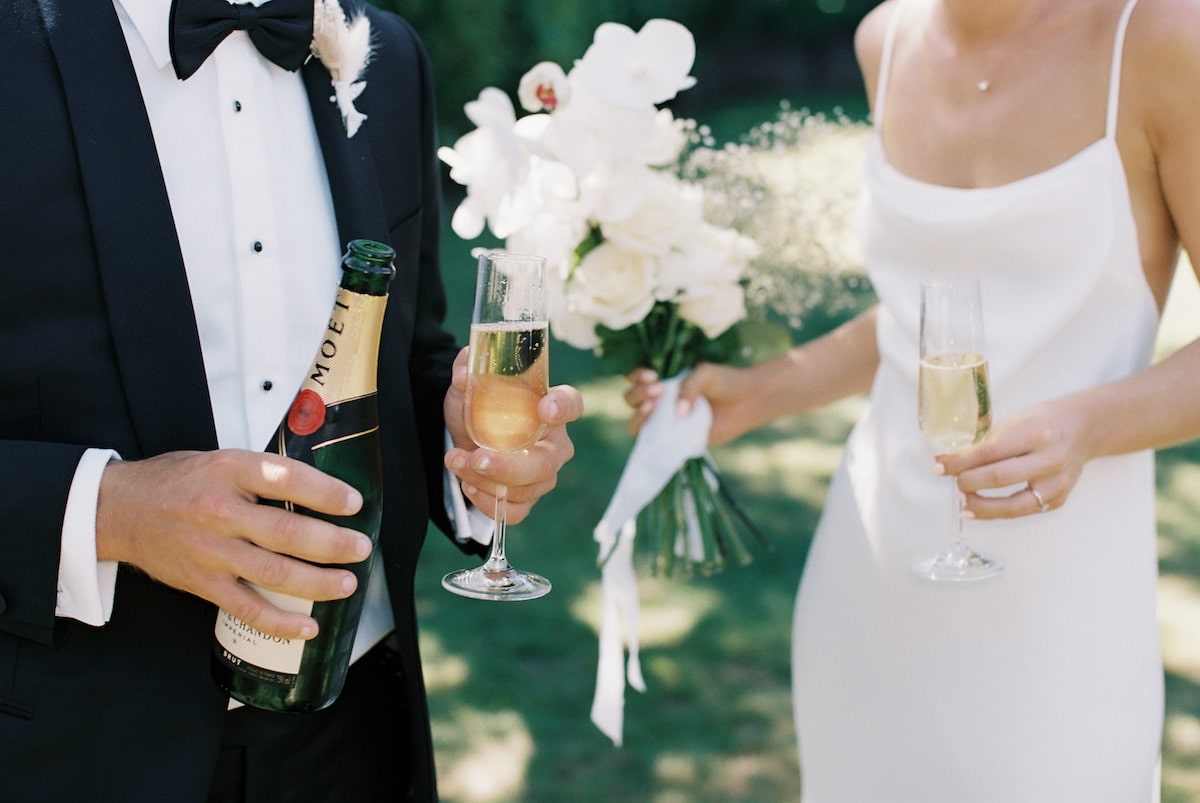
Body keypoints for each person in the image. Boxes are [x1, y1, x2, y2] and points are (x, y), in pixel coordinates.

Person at [0, 0, 582, 801]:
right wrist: (112, 510)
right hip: (72, 746)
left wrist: (470, 458)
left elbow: (412, 356)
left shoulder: (393, 56)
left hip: (356, 737)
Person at [627, 0, 1200, 799]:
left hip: (1066, 599)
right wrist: (759, 393)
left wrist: (1088, 424)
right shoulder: (884, 39)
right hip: (873, 569)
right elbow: (919, 317)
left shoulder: (1164, 39)